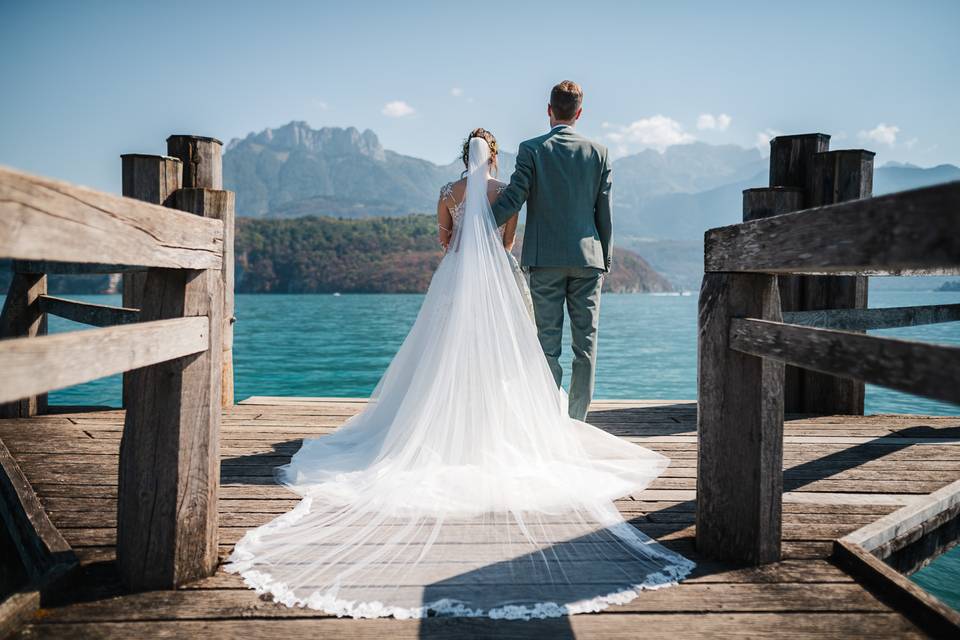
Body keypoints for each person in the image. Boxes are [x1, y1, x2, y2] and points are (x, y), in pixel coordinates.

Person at [226, 108, 693, 620]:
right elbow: (507, 241)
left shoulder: (448, 192)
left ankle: (435, 423)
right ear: (493, 157)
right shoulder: (502, 195)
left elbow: (444, 240)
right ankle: (521, 423)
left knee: (439, 355)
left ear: (462, 155)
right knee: (507, 359)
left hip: (453, 279)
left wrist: (458, 245)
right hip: (498, 285)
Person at [491, 80, 611, 422]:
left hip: (545, 261)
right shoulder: (598, 152)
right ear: (579, 113)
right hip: (589, 260)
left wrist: (479, 222)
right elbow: (604, 213)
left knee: (546, 346)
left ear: (549, 110)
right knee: (585, 348)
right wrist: (606, 259)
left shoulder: (531, 149)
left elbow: (513, 199)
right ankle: (577, 424)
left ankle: (548, 425)